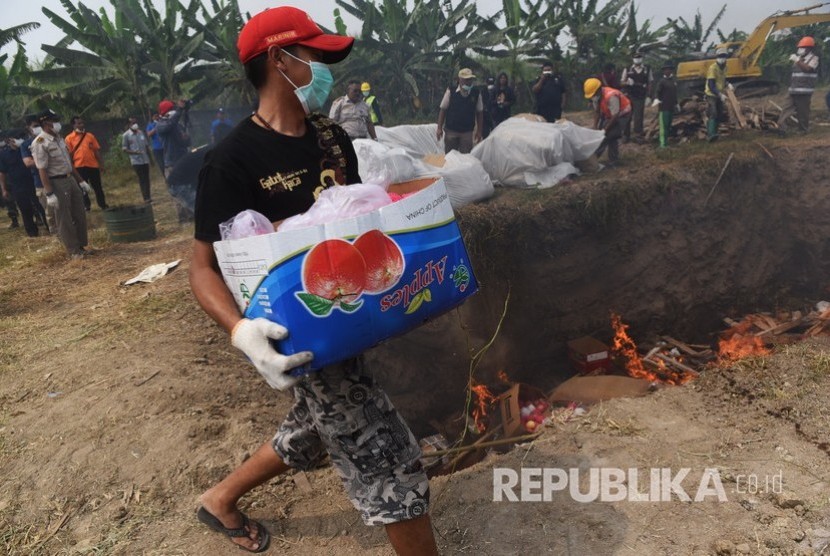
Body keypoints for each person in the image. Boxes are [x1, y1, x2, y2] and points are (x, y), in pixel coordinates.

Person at [191, 6, 438, 555]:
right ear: (281, 60)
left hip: (347, 319)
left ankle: (220, 498)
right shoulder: (231, 162)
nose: (322, 68)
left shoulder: (330, 138)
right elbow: (201, 266)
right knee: (387, 457)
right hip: (298, 335)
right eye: (315, 56)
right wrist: (241, 333)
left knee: (315, 423)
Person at [30, 109, 93, 259]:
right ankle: (73, 251)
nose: (57, 123)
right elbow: (42, 170)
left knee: (79, 213)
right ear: (45, 122)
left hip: (70, 178)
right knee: (64, 218)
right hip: (57, 182)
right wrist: (50, 193)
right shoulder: (40, 142)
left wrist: (81, 181)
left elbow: (69, 163)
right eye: (54, 120)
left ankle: (81, 245)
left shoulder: (59, 138)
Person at [166, 122, 233, 221]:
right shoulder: (215, 151)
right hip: (179, 185)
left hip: (187, 181)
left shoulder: (214, 148)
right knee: (205, 213)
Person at [156, 99, 192, 222]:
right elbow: (169, 126)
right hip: (172, 162)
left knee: (188, 187)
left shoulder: (177, 124)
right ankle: (182, 217)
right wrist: (179, 110)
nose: (173, 111)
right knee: (176, 190)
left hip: (184, 160)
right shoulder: (160, 125)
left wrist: (186, 139)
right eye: (171, 109)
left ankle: (191, 213)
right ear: (165, 112)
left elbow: (186, 140)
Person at [0, 129, 40, 237]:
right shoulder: (4, 155)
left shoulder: (28, 149)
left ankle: (48, 227)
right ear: (9, 140)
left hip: (34, 182)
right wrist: (4, 189)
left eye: (21, 137)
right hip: (18, 186)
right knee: (25, 210)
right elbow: (2, 173)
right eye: (17, 138)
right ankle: (32, 233)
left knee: (40, 206)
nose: (20, 140)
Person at [585, 77, 632, 166]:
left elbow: (615, 115)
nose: (593, 96)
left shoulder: (611, 96)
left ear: (599, 89)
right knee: (603, 133)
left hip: (623, 113)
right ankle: (600, 158)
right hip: (610, 113)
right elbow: (597, 112)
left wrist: (605, 130)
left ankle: (602, 159)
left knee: (610, 135)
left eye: (594, 94)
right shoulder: (596, 97)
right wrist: (595, 127)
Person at [64, 116, 108, 211]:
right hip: (79, 166)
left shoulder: (90, 136)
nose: (81, 125)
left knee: (97, 186)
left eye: (82, 123)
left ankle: (102, 204)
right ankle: (86, 206)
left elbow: (96, 151)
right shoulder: (69, 138)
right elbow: (68, 155)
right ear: (73, 125)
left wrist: (101, 164)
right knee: (82, 188)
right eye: (78, 123)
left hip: (92, 165)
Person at [778, 36, 820, 133]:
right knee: (785, 108)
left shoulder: (814, 59)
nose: (800, 50)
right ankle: (781, 127)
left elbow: (807, 69)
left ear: (809, 49)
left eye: (803, 48)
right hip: (793, 89)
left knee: (803, 112)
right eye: (800, 48)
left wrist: (797, 61)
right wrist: (797, 60)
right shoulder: (799, 58)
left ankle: (803, 130)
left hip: (804, 91)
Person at [436, 68, 483, 154]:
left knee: (465, 158)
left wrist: (479, 131)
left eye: (470, 79)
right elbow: (443, 109)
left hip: (467, 132)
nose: (468, 82)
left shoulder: (476, 93)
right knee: (450, 157)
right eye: (466, 79)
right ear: (459, 80)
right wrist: (439, 128)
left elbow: (479, 112)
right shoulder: (451, 91)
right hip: (451, 131)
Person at [20, 114, 52, 233]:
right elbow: (28, 162)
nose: (38, 128)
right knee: (48, 212)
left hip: (56, 178)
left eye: (39, 125)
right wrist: (45, 160)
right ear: (29, 128)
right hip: (40, 182)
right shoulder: (26, 145)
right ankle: (53, 233)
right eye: (35, 126)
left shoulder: (50, 138)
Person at [621, 52, 653, 143]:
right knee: (627, 115)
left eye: (639, 57)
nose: (637, 59)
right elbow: (621, 82)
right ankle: (625, 135)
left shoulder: (647, 69)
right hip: (629, 95)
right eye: (635, 57)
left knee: (639, 116)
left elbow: (650, 82)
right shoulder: (627, 69)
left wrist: (649, 96)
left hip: (640, 96)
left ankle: (638, 135)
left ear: (642, 58)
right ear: (632, 59)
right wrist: (627, 82)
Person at [121, 117, 152, 202]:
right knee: (142, 178)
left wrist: (151, 159)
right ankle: (145, 197)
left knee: (147, 178)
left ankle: (149, 196)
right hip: (136, 161)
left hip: (145, 159)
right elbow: (124, 149)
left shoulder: (141, 133)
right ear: (129, 125)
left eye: (135, 122)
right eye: (132, 123)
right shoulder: (126, 135)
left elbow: (146, 146)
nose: (135, 124)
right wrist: (134, 152)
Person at [704, 49, 731, 142]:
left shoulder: (725, 67)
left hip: (720, 93)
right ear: (717, 57)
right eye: (720, 56)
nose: (722, 58)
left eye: (724, 56)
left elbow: (723, 79)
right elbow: (711, 85)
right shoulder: (713, 68)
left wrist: (727, 84)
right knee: (713, 112)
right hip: (712, 94)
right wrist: (719, 94)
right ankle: (711, 134)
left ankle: (715, 133)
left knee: (720, 113)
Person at [653, 63, 679, 148]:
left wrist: (676, 103)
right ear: (663, 71)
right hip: (664, 107)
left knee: (668, 125)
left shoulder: (673, 81)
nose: (667, 71)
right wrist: (656, 99)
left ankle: (666, 141)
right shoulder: (661, 82)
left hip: (671, 106)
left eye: (669, 69)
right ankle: (662, 144)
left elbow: (674, 94)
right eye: (665, 70)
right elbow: (657, 92)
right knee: (663, 126)